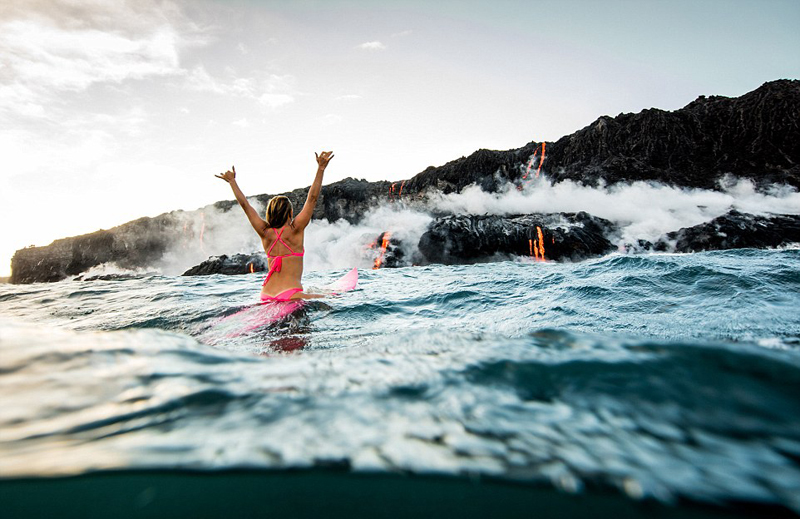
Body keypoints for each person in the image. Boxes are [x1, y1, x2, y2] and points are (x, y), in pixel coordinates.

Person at [215, 151, 334, 301]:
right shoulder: (295, 230)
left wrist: (232, 181)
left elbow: (245, 205)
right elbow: (312, 199)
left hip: (266, 295)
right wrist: (321, 168)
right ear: (290, 212)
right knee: (334, 297)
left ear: (270, 213)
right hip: (291, 294)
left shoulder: (264, 232)